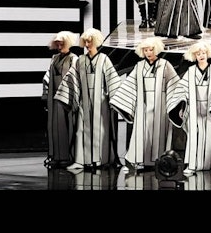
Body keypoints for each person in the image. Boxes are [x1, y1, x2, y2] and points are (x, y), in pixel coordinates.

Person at [55, 28, 122, 171]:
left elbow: (113, 80)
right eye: (85, 40)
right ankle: (81, 160)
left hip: (101, 100)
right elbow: (72, 80)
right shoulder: (80, 60)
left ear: (96, 41)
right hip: (83, 98)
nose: (87, 43)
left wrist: (114, 100)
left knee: (101, 129)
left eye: (89, 40)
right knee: (81, 129)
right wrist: (70, 96)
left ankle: (100, 160)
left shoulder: (104, 59)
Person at [110, 35, 179, 170]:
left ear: (157, 49)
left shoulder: (165, 65)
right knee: (142, 133)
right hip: (143, 104)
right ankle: (139, 161)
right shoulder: (139, 66)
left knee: (158, 134)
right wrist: (119, 100)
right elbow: (130, 84)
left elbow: (174, 84)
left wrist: (175, 104)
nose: (148, 53)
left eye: (151, 49)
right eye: (146, 50)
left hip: (160, 105)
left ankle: (159, 161)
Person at [167, 40, 211, 175]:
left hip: (210, 108)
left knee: (210, 136)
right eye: (198, 53)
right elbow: (182, 90)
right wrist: (181, 108)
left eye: (203, 53)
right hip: (194, 109)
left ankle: (210, 165)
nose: (201, 55)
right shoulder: (190, 72)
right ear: (194, 56)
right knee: (193, 136)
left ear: (207, 54)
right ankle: (192, 165)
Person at [42, 30, 78, 168]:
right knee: (55, 126)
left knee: (67, 126)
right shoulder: (54, 58)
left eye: (61, 43)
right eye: (57, 43)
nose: (59, 45)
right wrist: (46, 94)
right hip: (54, 96)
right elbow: (47, 77)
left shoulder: (73, 59)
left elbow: (75, 79)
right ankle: (56, 155)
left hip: (67, 96)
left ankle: (68, 156)